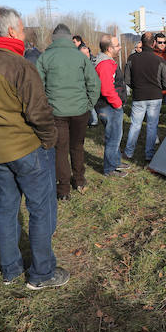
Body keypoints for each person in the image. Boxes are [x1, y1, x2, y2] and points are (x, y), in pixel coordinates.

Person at [0, 6, 68, 290]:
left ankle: (10, 269)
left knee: (6, 207)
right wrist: (49, 140)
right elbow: (39, 112)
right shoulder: (19, 65)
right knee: (40, 210)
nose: (24, 34)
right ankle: (42, 273)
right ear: (12, 31)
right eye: (22, 29)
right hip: (27, 148)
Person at [35, 24, 101, 200]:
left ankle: (63, 189)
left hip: (56, 112)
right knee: (77, 145)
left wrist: (46, 108)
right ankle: (79, 180)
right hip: (80, 110)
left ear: (53, 39)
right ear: (70, 38)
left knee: (60, 149)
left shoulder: (44, 58)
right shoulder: (80, 57)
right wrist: (89, 104)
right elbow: (94, 83)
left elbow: (37, 87)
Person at [124, 32, 166, 163]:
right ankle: (149, 154)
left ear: (142, 42)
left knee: (135, 125)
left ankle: (128, 153)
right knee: (152, 126)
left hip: (139, 96)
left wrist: (137, 87)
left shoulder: (132, 59)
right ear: (154, 43)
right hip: (155, 96)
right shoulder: (160, 60)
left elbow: (127, 80)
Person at [94, 34, 129, 178]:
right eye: (117, 45)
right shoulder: (105, 64)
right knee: (113, 138)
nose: (120, 48)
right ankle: (109, 169)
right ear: (109, 48)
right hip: (109, 106)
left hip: (110, 105)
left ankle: (115, 162)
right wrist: (118, 104)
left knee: (116, 136)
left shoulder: (108, 61)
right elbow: (107, 89)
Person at [78, 43, 100, 127]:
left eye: (87, 52)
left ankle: (94, 120)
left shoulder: (94, 62)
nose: (86, 55)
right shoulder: (77, 64)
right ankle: (92, 120)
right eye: (83, 53)